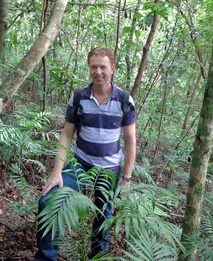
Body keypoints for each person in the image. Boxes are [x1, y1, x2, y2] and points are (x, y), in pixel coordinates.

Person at [34, 47, 137, 261]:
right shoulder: (79, 97)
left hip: (109, 169)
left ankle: (98, 256)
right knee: (49, 201)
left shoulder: (125, 101)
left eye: (103, 67)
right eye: (94, 67)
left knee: (103, 216)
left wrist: (126, 178)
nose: (98, 72)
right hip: (80, 164)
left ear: (112, 69)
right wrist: (57, 171)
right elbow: (66, 134)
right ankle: (46, 257)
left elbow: (129, 141)